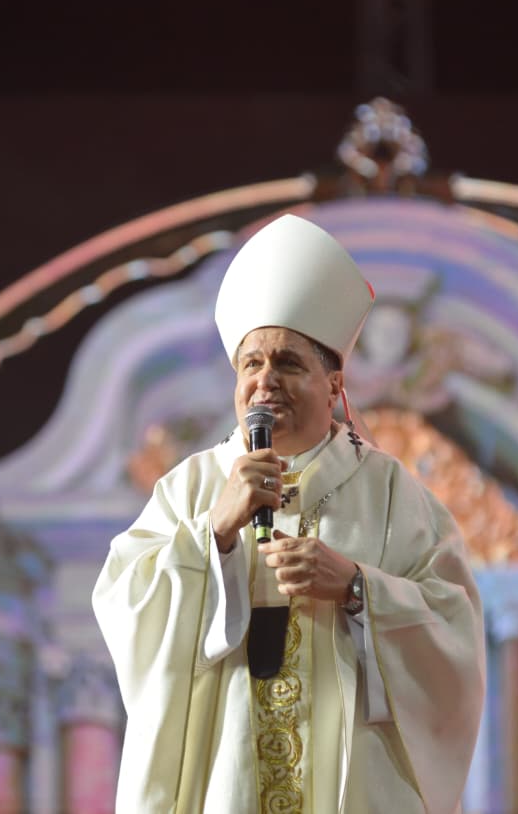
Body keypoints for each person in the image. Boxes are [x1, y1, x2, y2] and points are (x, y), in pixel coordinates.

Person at [92, 213, 486, 813]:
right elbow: (127, 610)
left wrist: (356, 587)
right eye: (251, 364)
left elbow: (454, 637)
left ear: (333, 385)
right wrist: (213, 534)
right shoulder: (191, 488)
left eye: (288, 363)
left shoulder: (392, 493)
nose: (265, 381)